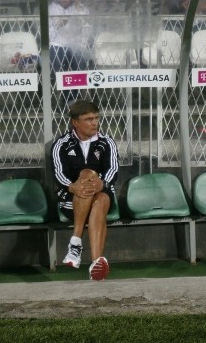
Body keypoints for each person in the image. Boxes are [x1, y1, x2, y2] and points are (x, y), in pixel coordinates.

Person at [53, 99, 119, 282]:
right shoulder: (62, 144)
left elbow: (113, 169)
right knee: (86, 175)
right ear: (75, 122)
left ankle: (75, 243)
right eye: (89, 119)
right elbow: (58, 173)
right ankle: (95, 262)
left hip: (102, 195)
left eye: (96, 118)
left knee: (100, 197)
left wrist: (102, 183)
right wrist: (72, 186)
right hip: (70, 198)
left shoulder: (107, 142)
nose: (95, 123)